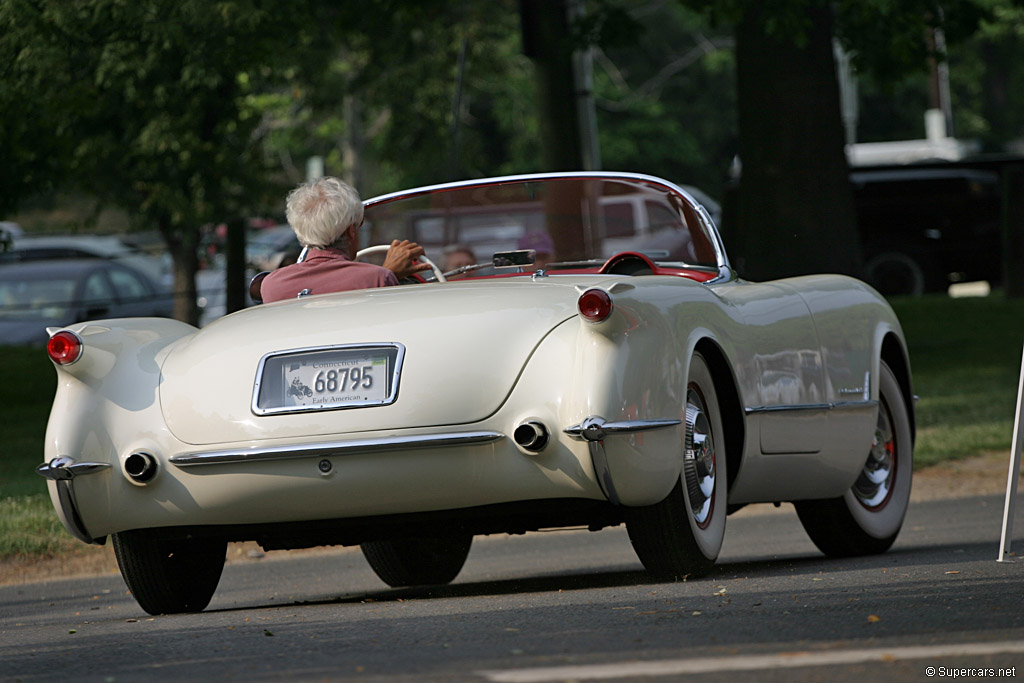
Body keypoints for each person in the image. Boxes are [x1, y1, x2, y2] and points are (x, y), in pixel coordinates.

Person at [260, 177, 430, 302]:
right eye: (359, 225)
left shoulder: (272, 285)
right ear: (351, 231)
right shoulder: (377, 279)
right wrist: (387, 275)